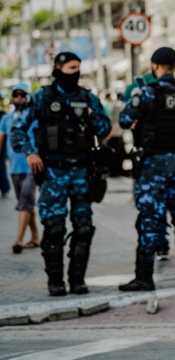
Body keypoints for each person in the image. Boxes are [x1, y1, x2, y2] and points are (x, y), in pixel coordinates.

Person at [11, 52, 112, 296]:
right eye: (70, 67)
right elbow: (18, 130)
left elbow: (105, 128)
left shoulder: (87, 97)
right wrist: (30, 153)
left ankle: (77, 280)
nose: (75, 72)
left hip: (81, 171)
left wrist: (92, 116)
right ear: (58, 68)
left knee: (83, 228)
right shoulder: (42, 97)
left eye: (78, 67)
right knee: (54, 228)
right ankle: (55, 281)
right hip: (53, 172)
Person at [118, 47, 175, 291]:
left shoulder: (147, 93)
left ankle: (144, 277)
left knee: (151, 219)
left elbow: (124, 120)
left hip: (154, 164)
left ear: (154, 65)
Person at [0, 83, 41, 254]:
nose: (19, 98)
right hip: (15, 168)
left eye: (22, 95)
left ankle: (19, 240)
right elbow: (1, 140)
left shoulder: (33, 117)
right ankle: (36, 237)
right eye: (16, 95)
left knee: (25, 200)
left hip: (32, 167)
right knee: (25, 204)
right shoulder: (6, 119)